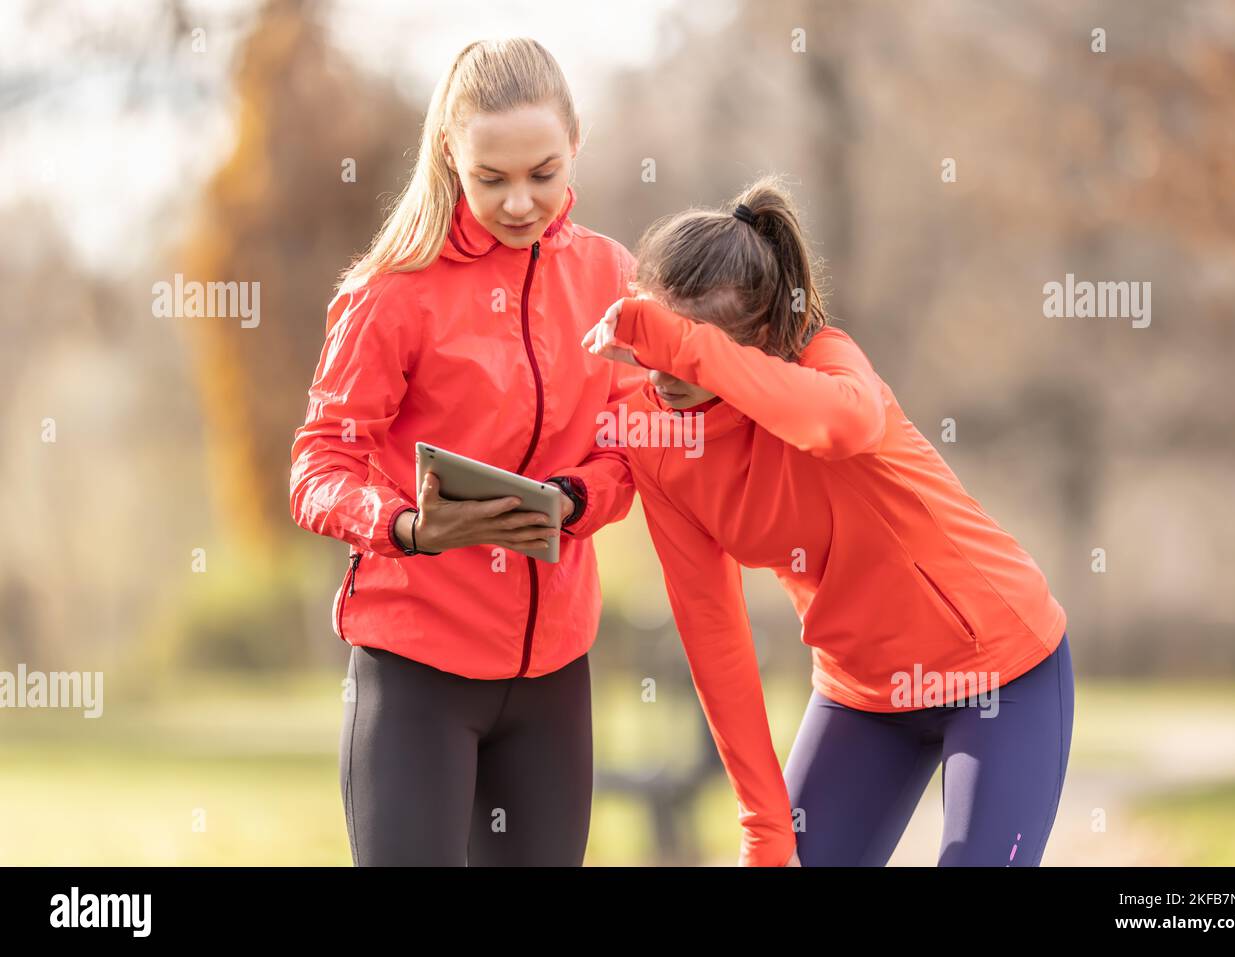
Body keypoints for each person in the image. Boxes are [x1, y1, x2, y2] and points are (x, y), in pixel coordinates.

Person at [583, 174, 1075, 867]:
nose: (659, 368)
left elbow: (842, 426)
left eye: (682, 344)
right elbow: (712, 631)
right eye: (652, 334)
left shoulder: (826, 362)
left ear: (760, 337)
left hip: (1002, 669)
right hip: (863, 695)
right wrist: (763, 823)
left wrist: (680, 344)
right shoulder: (655, 436)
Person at [289, 37, 643, 866]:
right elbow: (318, 466)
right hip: (417, 670)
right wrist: (409, 525)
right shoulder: (391, 292)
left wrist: (577, 498)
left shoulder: (611, 277)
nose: (522, 202)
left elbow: (635, 445)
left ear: (575, 147)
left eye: (543, 174)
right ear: (451, 156)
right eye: (492, 179)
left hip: (555, 670)